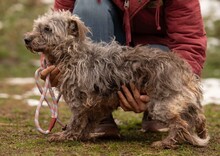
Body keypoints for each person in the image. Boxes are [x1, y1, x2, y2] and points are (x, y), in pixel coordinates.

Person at [41, 0, 207, 138]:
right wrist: (53, 66)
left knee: (165, 67)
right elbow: (52, 29)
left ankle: (163, 107)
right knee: (88, 6)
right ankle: (97, 114)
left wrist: (177, 89)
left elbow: (189, 41)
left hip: (155, 60)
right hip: (99, 61)